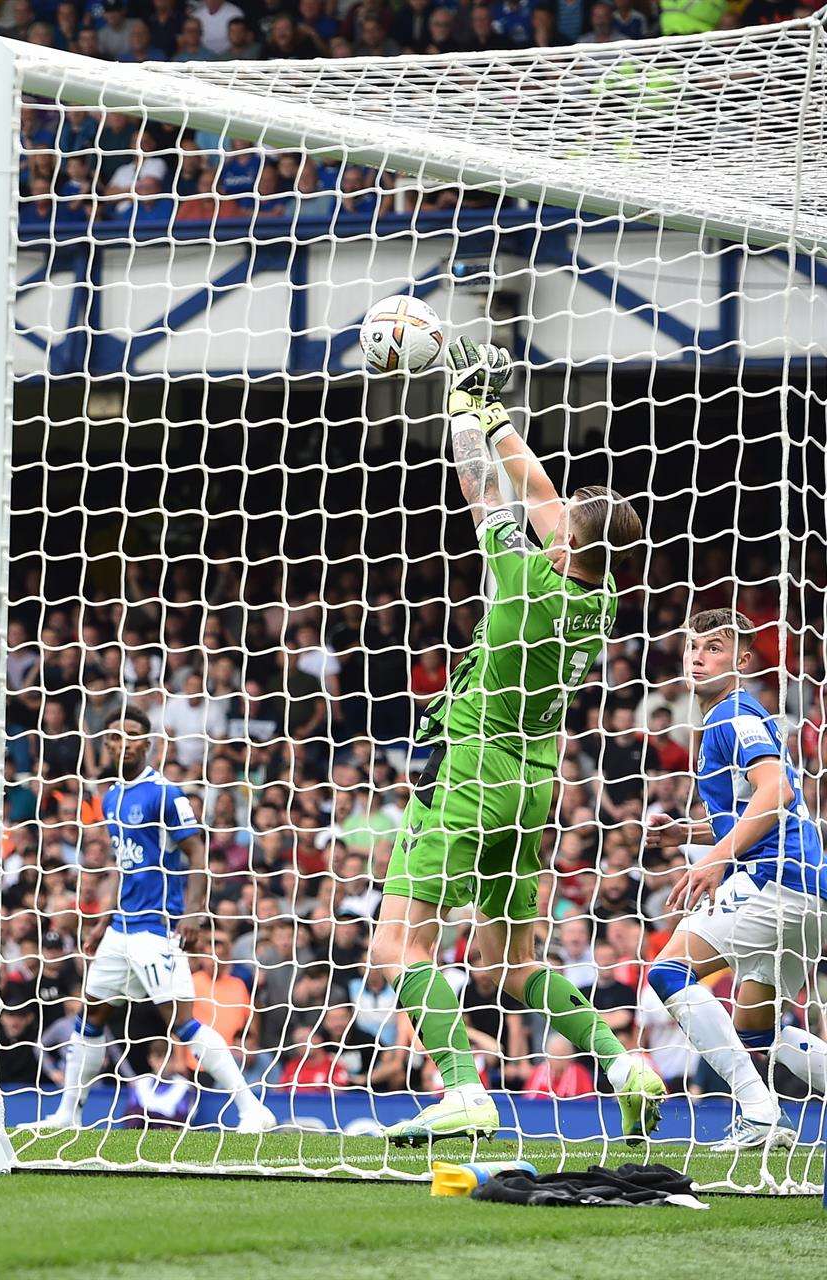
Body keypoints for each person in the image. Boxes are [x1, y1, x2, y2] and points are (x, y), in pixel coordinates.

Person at [371, 338, 661, 1146]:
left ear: (566, 543)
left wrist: (460, 412)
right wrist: (495, 411)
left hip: (470, 768)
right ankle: (623, 1063)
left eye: (566, 520)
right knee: (509, 967)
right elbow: (534, 488)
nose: (556, 513)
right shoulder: (601, 595)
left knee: (400, 941)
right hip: (535, 784)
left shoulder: (526, 580)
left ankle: (463, 1091)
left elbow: (485, 494)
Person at [33, 706, 275, 1132]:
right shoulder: (111, 798)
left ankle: (251, 1107)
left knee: (182, 1022)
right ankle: (67, 1114)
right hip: (121, 928)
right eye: (114, 735)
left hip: (156, 928)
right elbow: (123, 865)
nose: (121, 742)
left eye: (131, 735)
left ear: (147, 743)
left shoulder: (165, 793)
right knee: (90, 1015)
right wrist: (102, 919)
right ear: (106, 743)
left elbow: (197, 852)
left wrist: (197, 911)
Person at [643, 609, 827, 1150]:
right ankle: (760, 1110)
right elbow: (755, 806)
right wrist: (689, 833)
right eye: (693, 647)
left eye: (716, 648)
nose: (699, 657)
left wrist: (715, 857)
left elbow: (777, 793)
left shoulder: (733, 716)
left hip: (774, 882)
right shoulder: (732, 718)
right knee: (756, 1031)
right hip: (808, 891)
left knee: (670, 972)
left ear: (742, 659)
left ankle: (758, 1112)